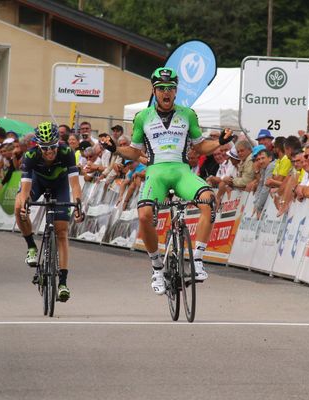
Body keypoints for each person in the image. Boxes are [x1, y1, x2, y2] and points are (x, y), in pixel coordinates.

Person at [100, 67, 234, 295]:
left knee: (209, 201)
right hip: (156, 173)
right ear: (154, 90)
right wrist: (116, 149)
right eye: (161, 88)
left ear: (176, 91)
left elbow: (200, 147)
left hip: (182, 172)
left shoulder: (188, 114)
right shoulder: (142, 117)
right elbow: (135, 152)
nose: (166, 92)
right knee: (144, 215)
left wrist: (219, 141)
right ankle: (156, 267)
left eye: (171, 88)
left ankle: (198, 259)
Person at [14, 121, 83, 302]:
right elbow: (25, 190)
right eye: (45, 148)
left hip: (59, 185)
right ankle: (31, 246)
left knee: (61, 231)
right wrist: (24, 206)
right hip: (38, 183)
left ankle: (63, 282)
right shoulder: (30, 156)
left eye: (52, 147)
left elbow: (75, 185)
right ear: (38, 146)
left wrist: (78, 206)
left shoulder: (67, 152)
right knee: (17, 205)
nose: (49, 152)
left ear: (57, 143)